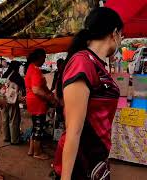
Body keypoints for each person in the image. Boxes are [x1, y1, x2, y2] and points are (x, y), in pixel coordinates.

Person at [53, 7, 123, 180]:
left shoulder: (96, 64)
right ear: (114, 33)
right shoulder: (82, 63)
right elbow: (73, 130)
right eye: (122, 35)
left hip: (96, 154)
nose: (121, 40)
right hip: (81, 160)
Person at [25, 49, 56, 160]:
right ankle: (37, 152)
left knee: (35, 126)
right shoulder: (35, 70)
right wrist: (50, 98)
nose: (44, 60)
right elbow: (36, 90)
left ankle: (32, 149)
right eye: (44, 57)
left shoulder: (31, 67)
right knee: (39, 128)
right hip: (37, 103)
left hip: (33, 102)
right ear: (39, 57)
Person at [2, 61, 25, 144]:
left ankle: (6, 137)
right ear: (17, 67)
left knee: (5, 118)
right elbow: (23, 86)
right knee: (14, 119)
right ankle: (14, 139)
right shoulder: (16, 76)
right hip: (12, 100)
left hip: (3, 99)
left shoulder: (5, 74)